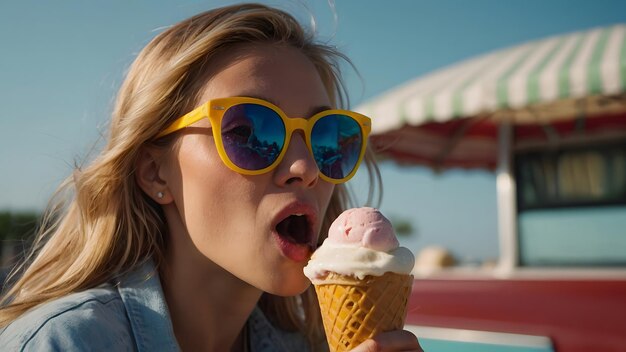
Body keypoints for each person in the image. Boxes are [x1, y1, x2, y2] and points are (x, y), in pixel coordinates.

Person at [0, 4, 423, 351]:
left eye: (327, 138)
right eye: (250, 131)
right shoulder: (63, 343)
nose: (306, 168)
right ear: (154, 171)